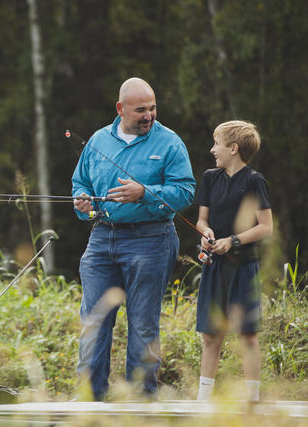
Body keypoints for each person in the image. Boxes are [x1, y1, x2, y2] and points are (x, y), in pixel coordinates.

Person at [72, 77, 195, 400]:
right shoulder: (98, 140)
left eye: (152, 108)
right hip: (102, 240)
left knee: (142, 325)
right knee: (93, 322)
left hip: (151, 240)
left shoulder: (169, 143)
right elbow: (79, 184)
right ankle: (89, 398)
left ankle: (140, 402)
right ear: (120, 109)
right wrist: (83, 203)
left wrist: (145, 193)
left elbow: (185, 191)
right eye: (141, 110)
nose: (149, 115)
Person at [195, 120, 273, 402]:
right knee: (210, 336)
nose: (212, 149)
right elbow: (202, 220)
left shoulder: (255, 180)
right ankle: (203, 401)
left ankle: (253, 400)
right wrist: (207, 234)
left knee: (247, 336)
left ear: (233, 148)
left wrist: (233, 241)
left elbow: (266, 226)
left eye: (216, 143)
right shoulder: (209, 178)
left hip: (244, 268)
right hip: (214, 268)